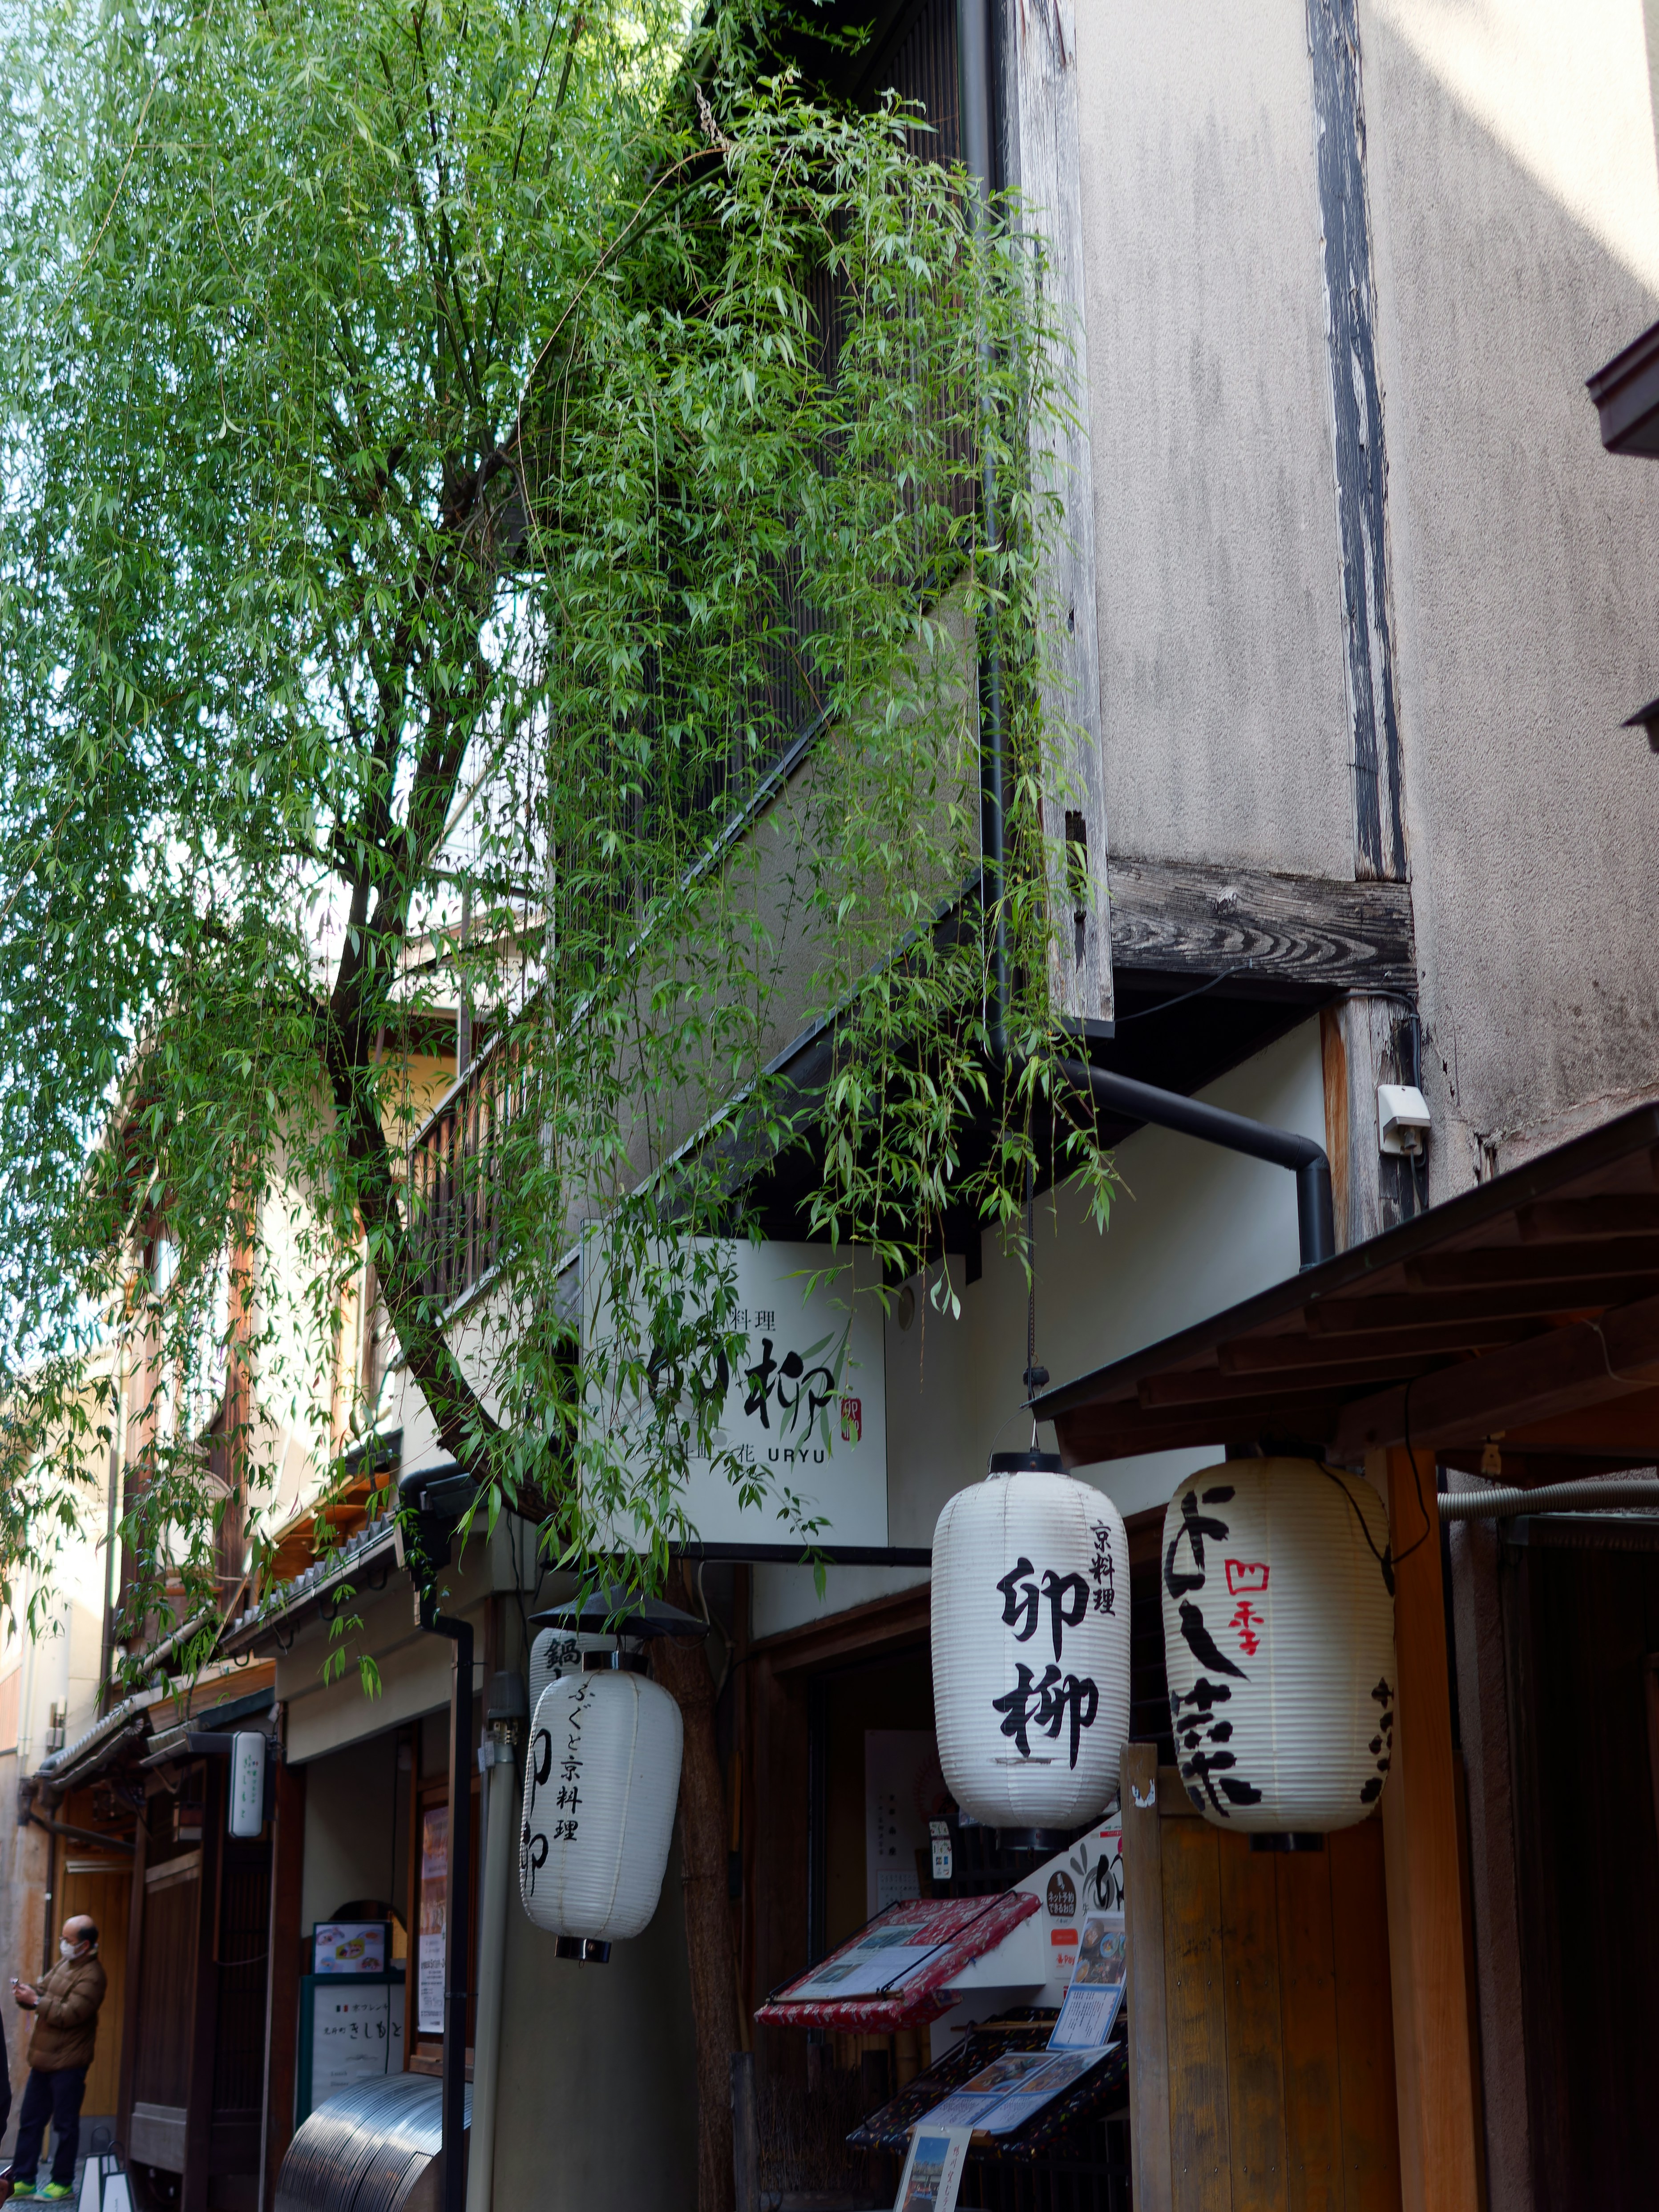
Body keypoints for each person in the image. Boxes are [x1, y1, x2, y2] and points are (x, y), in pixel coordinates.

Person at [8, 1916, 106, 2201]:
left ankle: (62, 2182)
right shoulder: (65, 1964)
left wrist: (37, 2003)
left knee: (65, 2125)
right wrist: (27, 1993)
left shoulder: (93, 1975)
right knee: (30, 2121)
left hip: (69, 2062)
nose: (63, 1945)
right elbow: (45, 1992)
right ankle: (23, 2179)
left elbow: (70, 2013)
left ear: (85, 1945)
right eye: (63, 1939)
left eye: (69, 1941)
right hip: (43, 2059)